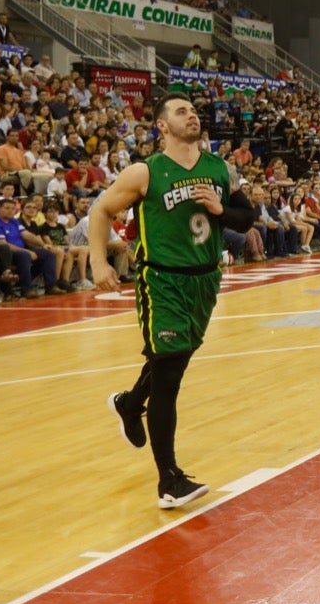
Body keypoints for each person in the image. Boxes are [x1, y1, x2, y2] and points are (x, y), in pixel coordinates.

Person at [90, 93, 255, 510]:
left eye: (194, 111)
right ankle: (169, 480)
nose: (192, 115)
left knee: (174, 359)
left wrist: (221, 211)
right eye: (181, 111)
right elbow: (101, 210)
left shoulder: (220, 169)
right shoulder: (145, 171)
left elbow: (245, 218)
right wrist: (98, 261)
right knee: (170, 372)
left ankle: (129, 405)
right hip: (160, 278)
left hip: (205, 280)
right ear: (162, 126)